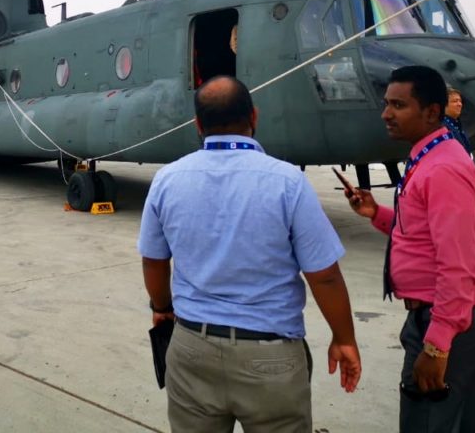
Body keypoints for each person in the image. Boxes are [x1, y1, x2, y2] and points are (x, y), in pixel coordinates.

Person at [139, 76, 360, 431]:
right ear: (254, 117)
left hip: (192, 346)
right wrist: (345, 338)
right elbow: (325, 274)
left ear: (198, 124)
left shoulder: (167, 180)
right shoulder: (288, 182)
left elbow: (153, 260)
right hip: (270, 356)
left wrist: (162, 309)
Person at [344, 65, 475, 433]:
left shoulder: (442, 168)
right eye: (386, 104)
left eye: (398, 105)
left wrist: (437, 345)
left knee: (427, 422)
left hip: (450, 321)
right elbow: (421, 234)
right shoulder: (428, 156)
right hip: (451, 317)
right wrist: (376, 214)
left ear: (431, 111)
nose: (386, 114)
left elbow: (458, 263)